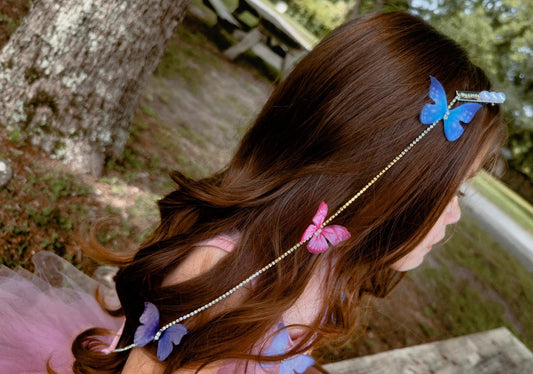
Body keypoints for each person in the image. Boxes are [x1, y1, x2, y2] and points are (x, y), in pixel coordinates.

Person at [0, 11, 505, 374]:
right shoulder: (223, 273)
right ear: (385, 181)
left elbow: (281, 352)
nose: (457, 215)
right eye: (455, 190)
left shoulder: (329, 259)